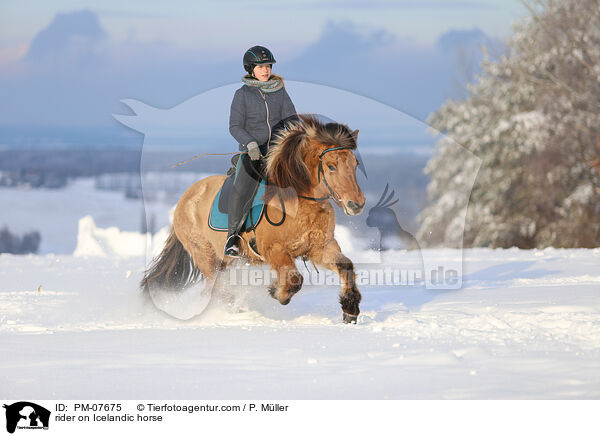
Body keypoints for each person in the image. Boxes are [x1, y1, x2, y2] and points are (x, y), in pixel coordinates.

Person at [225, 45, 298, 257]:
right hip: (253, 153)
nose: (265, 70)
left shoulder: (280, 91)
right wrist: (249, 143)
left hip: (278, 151)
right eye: (260, 67)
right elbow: (235, 126)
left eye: (267, 66)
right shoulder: (242, 95)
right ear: (251, 69)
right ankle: (233, 237)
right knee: (244, 186)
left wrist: (297, 138)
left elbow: (291, 119)